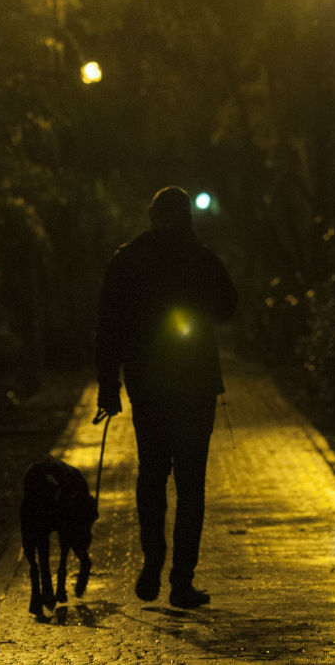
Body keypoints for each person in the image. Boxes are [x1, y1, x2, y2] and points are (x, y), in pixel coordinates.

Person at [95, 186, 238, 609]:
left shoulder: (127, 260)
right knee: (191, 483)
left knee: (152, 473)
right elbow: (228, 306)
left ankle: (152, 559)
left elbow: (108, 327)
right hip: (194, 383)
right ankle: (181, 580)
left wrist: (108, 385)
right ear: (187, 217)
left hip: (147, 384)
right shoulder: (201, 258)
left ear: (153, 215)